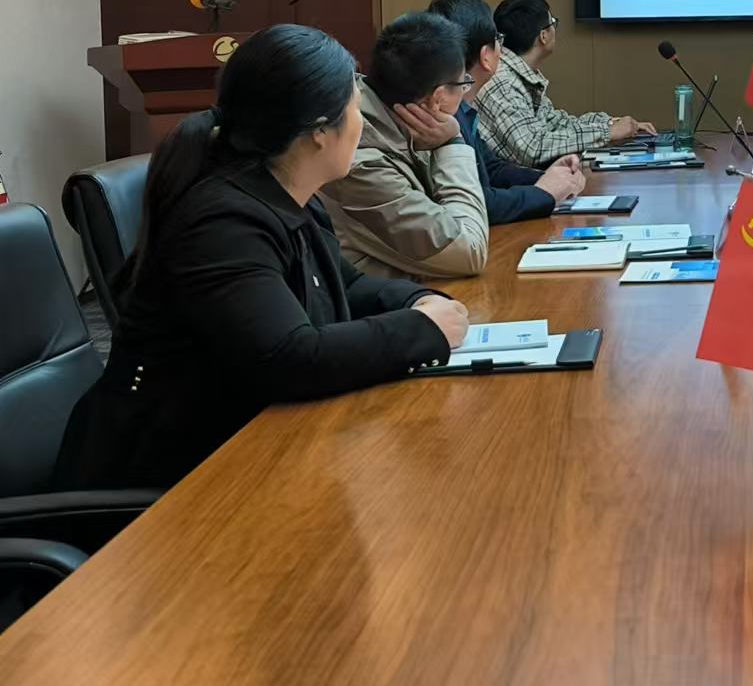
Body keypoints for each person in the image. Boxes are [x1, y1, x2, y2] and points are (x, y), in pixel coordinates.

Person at [55, 25, 469, 491]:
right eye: (355, 109)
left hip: (239, 445)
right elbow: (290, 357)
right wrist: (420, 330)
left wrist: (416, 300)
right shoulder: (222, 223)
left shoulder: (288, 194)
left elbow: (346, 285)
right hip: (164, 481)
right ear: (318, 131)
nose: (362, 123)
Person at [319, 12, 490, 280]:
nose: (465, 92)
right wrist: (452, 144)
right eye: (463, 84)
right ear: (438, 98)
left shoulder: (394, 117)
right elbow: (469, 249)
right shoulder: (359, 163)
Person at [426, 0, 586, 221]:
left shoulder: (462, 106)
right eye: (498, 40)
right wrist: (544, 193)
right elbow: (480, 202)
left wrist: (550, 177)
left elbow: (491, 169)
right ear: (486, 57)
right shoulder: (445, 113)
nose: (502, 49)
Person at [480, 0, 656, 165]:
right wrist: (607, 133)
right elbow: (533, 149)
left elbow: (557, 123)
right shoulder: (504, 82)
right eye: (553, 22)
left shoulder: (520, 75)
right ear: (543, 36)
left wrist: (611, 124)